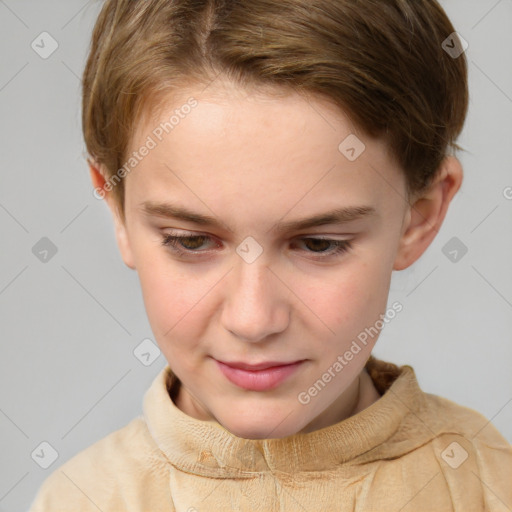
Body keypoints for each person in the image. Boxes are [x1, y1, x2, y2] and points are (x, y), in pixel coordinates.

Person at [29, 0, 512, 510]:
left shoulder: (490, 487)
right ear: (117, 208)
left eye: (319, 244)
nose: (253, 320)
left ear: (419, 216)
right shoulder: (79, 499)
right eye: (190, 240)